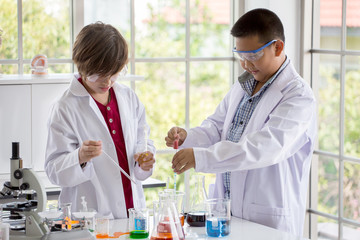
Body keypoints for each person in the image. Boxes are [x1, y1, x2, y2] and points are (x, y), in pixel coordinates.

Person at [165, 8, 316, 236]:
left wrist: (201, 157)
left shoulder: (298, 96)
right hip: (226, 214)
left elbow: (265, 147)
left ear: (278, 47)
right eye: (241, 56)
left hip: (266, 219)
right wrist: (189, 137)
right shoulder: (243, 85)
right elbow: (217, 127)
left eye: (253, 56)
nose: (245, 65)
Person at [45, 22, 155, 219]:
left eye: (114, 74)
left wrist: (144, 159)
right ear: (82, 66)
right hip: (91, 217)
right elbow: (54, 170)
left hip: (133, 213)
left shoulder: (128, 97)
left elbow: (143, 139)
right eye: (98, 75)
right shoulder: (65, 107)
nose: (107, 82)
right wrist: (79, 157)